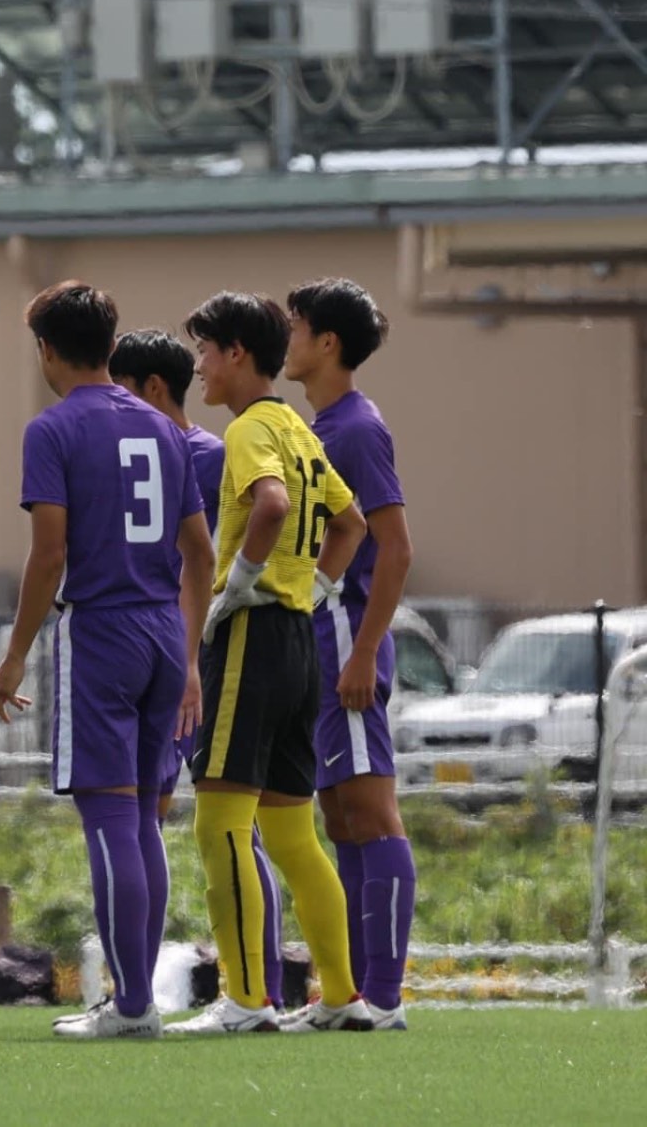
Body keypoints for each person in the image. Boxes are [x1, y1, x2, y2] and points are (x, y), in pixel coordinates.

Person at [0, 284, 212, 1040]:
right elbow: (200, 554)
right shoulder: (165, 427)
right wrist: (187, 653)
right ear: (111, 343)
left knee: (112, 817)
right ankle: (135, 998)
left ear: (47, 349)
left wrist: (15, 654)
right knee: (145, 817)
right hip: (159, 626)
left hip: (103, 630)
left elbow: (49, 553)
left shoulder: (51, 430)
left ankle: (133, 1004)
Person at [166, 292, 370, 1036]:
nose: (200, 367)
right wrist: (316, 586)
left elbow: (274, 505)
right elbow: (348, 522)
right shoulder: (297, 426)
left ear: (237, 354)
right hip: (298, 642)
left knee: (219, 820)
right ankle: (342, 994)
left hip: (252, 634)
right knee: (291, 833)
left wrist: (243, 579)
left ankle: (247, 999)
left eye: (206, 352)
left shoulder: (254, 426)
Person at [111, 328, 286, 1009]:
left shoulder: (205, 456)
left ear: (154, 389)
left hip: (199, 657)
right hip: (169, 653)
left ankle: (252, 986)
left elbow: (208, 558)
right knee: (153, 818)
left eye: (123, 391)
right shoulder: (166, 453)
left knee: (227, 822)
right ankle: (154, 989)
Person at [285, 278, 417, 1032]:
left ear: (327, 341)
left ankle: (386, 996)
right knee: (339, 816)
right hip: (322, 642)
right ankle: (356, 994)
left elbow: (394, 546)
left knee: (372, 810)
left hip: (345, 639)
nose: (289, 340)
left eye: (297, 326)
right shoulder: (323, 424)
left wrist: (364, 650)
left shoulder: (356, 428)